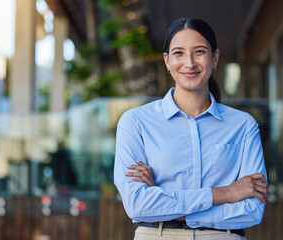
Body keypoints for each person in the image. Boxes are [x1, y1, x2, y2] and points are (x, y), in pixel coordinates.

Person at [114, 17, 267, 240]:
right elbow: (137, 205)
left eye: (199, 52)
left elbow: (252, 210)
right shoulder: (136, 122)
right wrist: (226, 193)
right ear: (166, 61)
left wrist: (165, 202)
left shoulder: (243, 126)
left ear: (215, 58)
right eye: (178, 53)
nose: (189, 63)